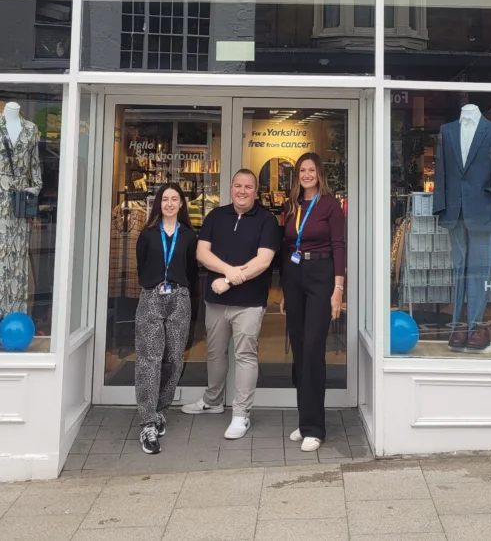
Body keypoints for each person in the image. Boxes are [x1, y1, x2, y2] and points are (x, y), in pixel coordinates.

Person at [182, 168, 282, 439]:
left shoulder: (266, 220)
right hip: (216, 300)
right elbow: (202, 253)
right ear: (231, 188)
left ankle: (241, 414)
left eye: (248, 187)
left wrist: (228, 280)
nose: (242, 191)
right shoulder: (216, 216)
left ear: (256, 192)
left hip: (249, 302)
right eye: (238, 185)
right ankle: (212, 401)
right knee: (214, 353)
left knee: (245, 356)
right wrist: (228, 272)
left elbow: (263, 261)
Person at [280, 152, 345, 452]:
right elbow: (286, 247)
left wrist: (338, 289)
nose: (307, 175)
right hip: (295, 276)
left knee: (313, 350)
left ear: (319, 174)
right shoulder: (292, 205)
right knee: (299, 350)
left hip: (321, 275)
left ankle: (315, 428)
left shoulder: (330, 205)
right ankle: (305, 419)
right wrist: (284, 289)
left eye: (311, 170)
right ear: (298, 175)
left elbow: (338, 246)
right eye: (302, 170)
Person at [134, 182, 199, 455]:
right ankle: (147, 421)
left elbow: (191, 270)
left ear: (182, 203)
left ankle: (161, 410)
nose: (170, 204)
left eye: (174, 199)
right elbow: (141, 267)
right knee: (149, 359)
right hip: (151, 297)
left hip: (179, 298)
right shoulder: (148, 234)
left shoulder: (189, 236)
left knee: (173, 358)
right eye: (165, 199)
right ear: (158, 204)